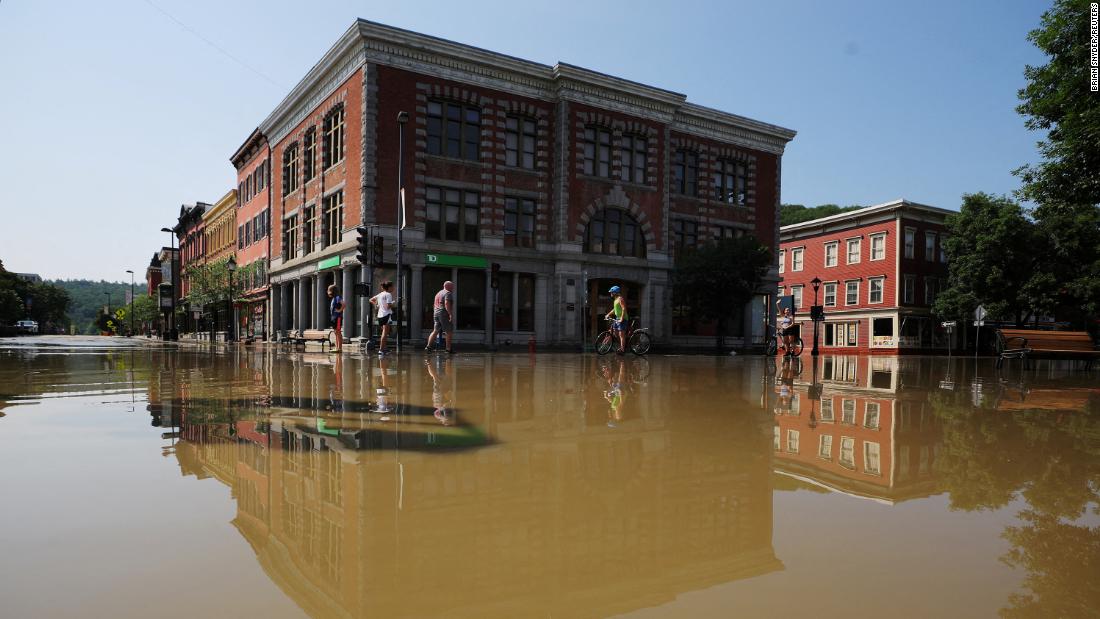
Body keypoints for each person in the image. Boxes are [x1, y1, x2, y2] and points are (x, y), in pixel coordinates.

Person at [425, 280, 455, 354]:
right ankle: (448, 349)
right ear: (448, 286)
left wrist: (436, 311)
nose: (453, 288)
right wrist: (450, 314)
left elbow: (434, 304)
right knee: (448, 331)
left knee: (435, 330)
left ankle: (428, 347)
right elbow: (447, 303)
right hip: (443, 313)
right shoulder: (448, 293)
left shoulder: (438, 293)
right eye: (452, 286)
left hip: (436, 312)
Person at [369, 280, 395, 354]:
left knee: (384, 332)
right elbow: (388, 306)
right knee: (385, 333)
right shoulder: (388, 294)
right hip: (386, 315)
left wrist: (376, 305)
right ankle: (381, 349)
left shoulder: (380, 294)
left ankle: (384, 348)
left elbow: (370, 300)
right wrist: (393, 303)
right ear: (389, 287)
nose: (393, 288)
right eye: (392, 286)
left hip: (380, 315)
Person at [604, 285, 628, 354]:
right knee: (615, 332)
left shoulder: (620, 299)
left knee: (621, 334)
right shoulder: (615, 300)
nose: (610, 294)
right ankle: (622, 345)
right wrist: (608, 314)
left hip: (623, 319)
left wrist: (622, 318)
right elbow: (614, 309)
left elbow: (623, 308)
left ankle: (622, 350)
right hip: (617, 318)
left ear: (615, 292)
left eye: (611, 292)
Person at [327, 284, 345, 352]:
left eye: (329, 290)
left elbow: (344, 304)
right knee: (336, 332)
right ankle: (337, 347)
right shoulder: (334, 299)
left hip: (338, 318)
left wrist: (339, 310)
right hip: (334, 318)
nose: (327, 292)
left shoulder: (337, 297)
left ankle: (339, 348)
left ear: (332, 291)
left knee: (338, 332)